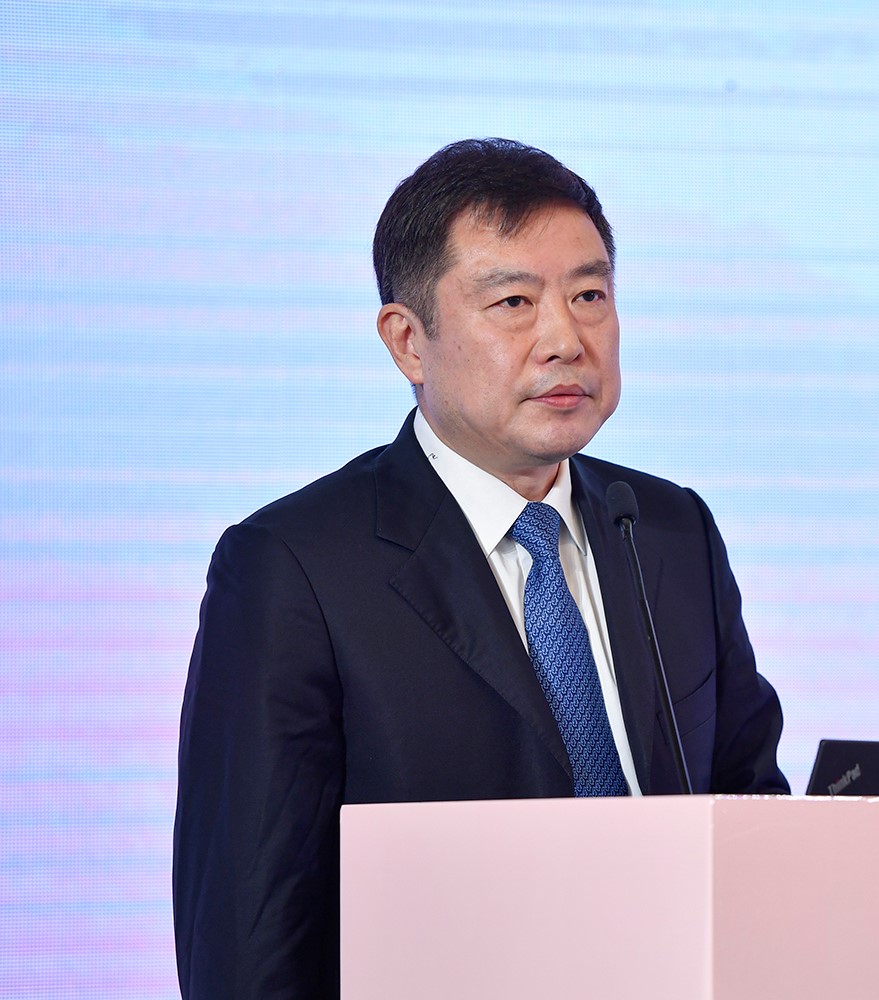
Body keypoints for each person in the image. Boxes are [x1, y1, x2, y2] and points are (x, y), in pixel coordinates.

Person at [172, 138, 789, 998]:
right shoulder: (295, 569)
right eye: (513, 302)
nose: (566, 339)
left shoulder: (668, 530)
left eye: (589, 295)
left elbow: (755, 823)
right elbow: (249, 936)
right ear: (407, 342)